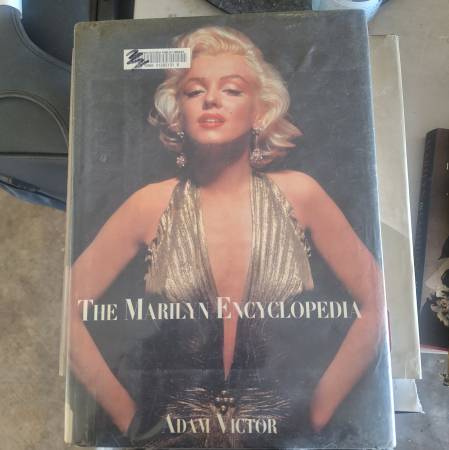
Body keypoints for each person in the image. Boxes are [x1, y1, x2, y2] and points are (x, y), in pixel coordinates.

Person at [69, 26, 387, 447]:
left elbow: (377, 300)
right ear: (177, 112)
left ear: (260, 111)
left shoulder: (302, 195)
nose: (211, 100)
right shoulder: (148, 205)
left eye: (232, 89)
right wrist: (130, 419)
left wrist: (317, 411)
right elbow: (67, 308)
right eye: (194, 91)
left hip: (281, 439)